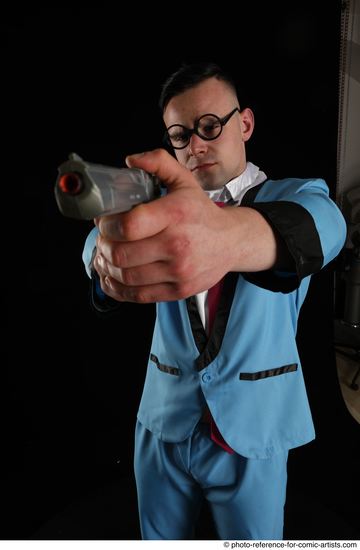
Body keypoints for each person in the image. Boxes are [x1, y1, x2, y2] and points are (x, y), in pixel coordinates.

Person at [82, 62, 346, 540]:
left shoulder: (299, 195)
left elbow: (327, 227)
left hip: (251, 432)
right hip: (162, 423)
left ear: (244, 123)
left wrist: (223, 237)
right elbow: (95, 248)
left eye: (209, 126)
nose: (196, 145)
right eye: (180, 135)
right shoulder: (157, 209)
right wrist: (107, 260)